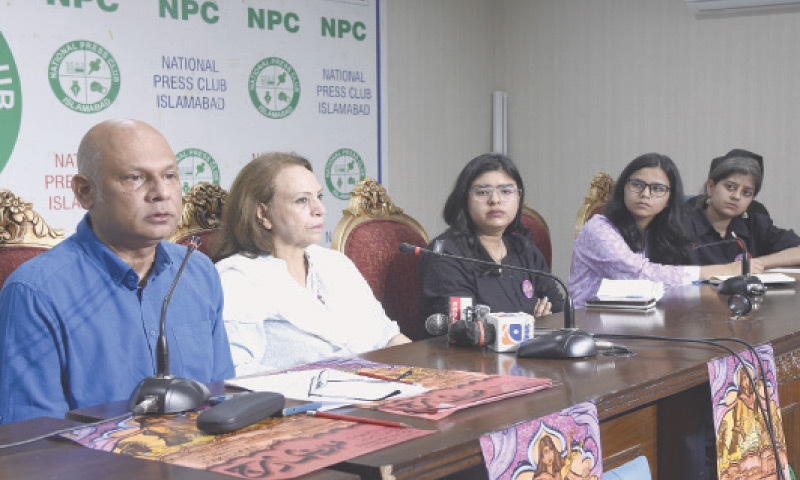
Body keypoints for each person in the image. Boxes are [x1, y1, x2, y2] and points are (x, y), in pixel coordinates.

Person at [0, 119, 234, 424]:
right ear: (85, 192)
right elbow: (32, 440)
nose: (161, 193)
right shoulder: (35, 292)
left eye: (170, 176)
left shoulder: (197, 270)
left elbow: (222, 396)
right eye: (135, 178)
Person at [212, 153, 410, 375]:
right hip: (304, 404)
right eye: (302, 200)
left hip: (380, 391)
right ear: (262, 213)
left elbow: (388, 337)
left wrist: (429, 376)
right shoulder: (237, 279)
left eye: (319, 197)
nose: (320, 209)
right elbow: (238, 372)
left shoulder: (336, 264)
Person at [568, 152, 760, 308]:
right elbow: (640, 275)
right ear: (623, 188)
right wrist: (722, 270)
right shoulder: (598, 229)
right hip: (589, 326)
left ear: (669, 198)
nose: (645, 194)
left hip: (638, 321)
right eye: (637, 184)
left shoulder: (656, 231)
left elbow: (668, 280)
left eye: (657, 188)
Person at [417, 153, 564, 330]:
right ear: (465, 199)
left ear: (519, 197)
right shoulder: (445, 254)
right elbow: (464, 330)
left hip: (531, 354)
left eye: (506, 191)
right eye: (482, 192)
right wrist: (530, 323)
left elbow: (558, 312)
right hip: (465, 357)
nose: (495, 200)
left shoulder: (525, 250)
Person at [686, 155, 800, 268]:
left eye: (746, 193)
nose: (736, 196)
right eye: (730, 187)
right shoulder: (681, 224)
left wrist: (754, 264)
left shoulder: (754, 224)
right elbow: (670, 272)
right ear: (711, 187)